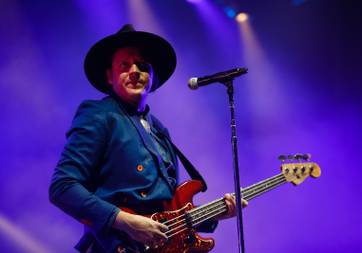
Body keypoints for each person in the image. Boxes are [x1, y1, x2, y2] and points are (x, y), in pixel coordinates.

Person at [49, 24, 247, 253]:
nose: (134, 70)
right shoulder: (99, 115)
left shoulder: (160, 131)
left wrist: (220, 212)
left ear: (152, 77)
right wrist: (125, 221)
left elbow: (171, 212)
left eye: (142, 65)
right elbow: (62, 187)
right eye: (125, 65)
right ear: (109, 77)